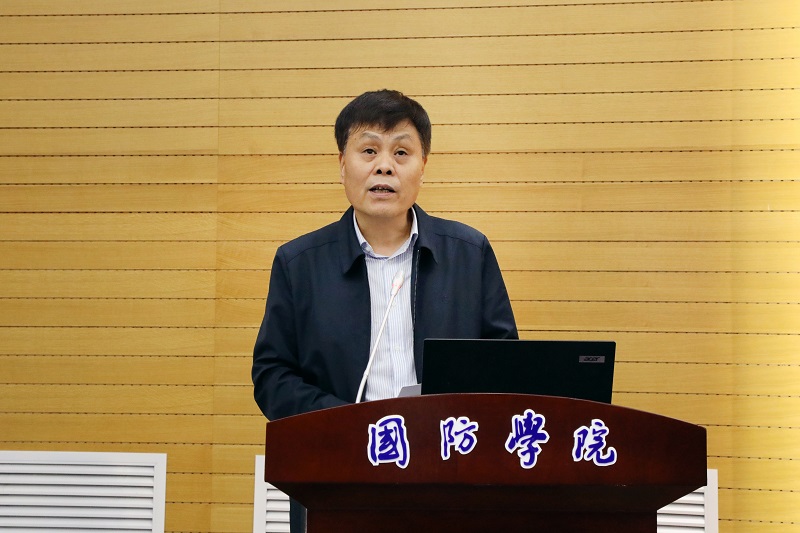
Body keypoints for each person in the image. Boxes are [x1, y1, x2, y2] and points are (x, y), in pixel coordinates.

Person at [252, 89, 518, 532]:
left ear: (422, 166)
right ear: (343, 164)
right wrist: (345, 423)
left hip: (447, 476)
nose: (384, 166)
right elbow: (272, 375)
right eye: (369, 150)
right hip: (337, 477)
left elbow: (504, 366)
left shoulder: (469, 254)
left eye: (401, 152)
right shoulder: (299, 264)